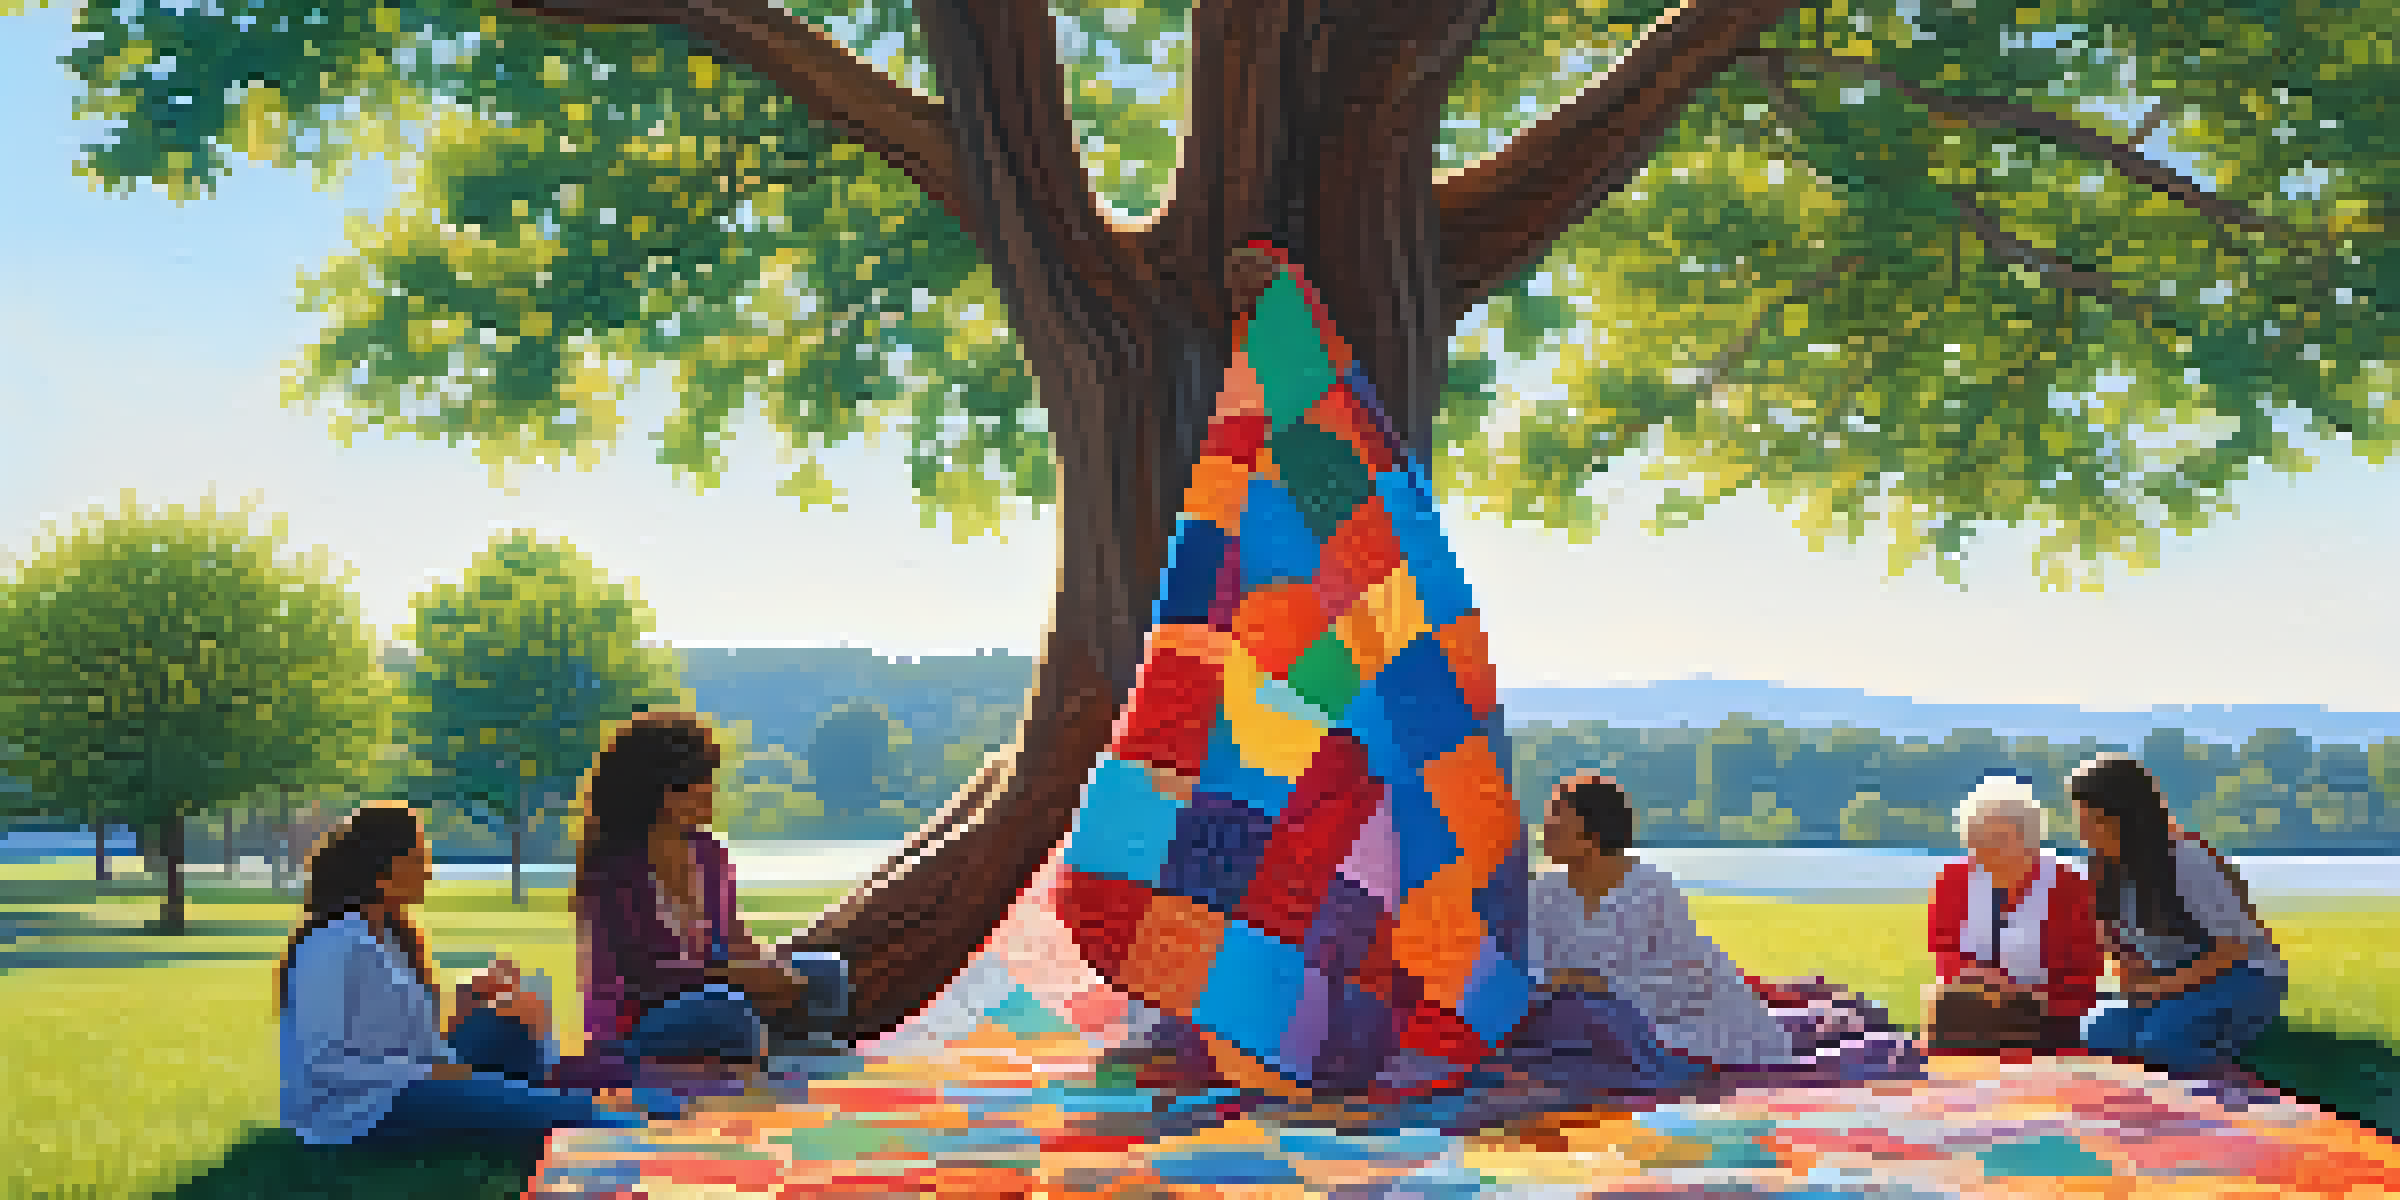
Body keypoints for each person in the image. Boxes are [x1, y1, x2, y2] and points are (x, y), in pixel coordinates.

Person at [276, 803, 645, 1147]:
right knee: (534, 1105)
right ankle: (611, 1116)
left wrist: (469, 998)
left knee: (510, 1026)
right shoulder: (334, 944)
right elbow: (321, 1060)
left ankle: (542, 1100)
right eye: (419, 858)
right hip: (358, 1108)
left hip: (414, 1078)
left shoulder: (388, 937)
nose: (429, 871)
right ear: (384, 872)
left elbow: (403, 1034)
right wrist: (426, 1074)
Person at [1526, 774, 1922, 1087]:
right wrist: (1570, 983)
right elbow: (1534, 964)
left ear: (1591, 835)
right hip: (1603, 1015)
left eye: (1556, 821)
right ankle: (1822, 1014)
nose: (1544, 830)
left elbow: (1682, 970)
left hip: (1691, 1003)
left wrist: (1602, 983)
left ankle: (1854, 1030)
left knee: (1775, 1058)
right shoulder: (1543, 892)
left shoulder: (1650, 887)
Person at [571, 711, 808, 1085]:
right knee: (726, 1012)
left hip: (708, 990)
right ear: (660, 790)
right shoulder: (612, 870)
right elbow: (645, 978)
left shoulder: (709, 853)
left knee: (825, 972)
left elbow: (733, 936)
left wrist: (771, 970)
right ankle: (770, 1055)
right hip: (637, 1020)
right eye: (698, 781)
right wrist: (738, 977)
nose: (709, 791)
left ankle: (779, 1050)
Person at [2069, 753, 2287, 1079]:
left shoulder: (2183, 859)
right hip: (2172, 980)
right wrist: (2139, 985)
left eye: (2094, 820)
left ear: (2126, 816)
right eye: (2081, 819)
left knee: (2159, 1042)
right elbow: (2122, 951)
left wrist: (2162, 989)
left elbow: (2235, 948)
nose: (2086, 831)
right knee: (2098, 1033)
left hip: (2242, 976)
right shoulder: (2102, 868)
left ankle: (2230, 1080)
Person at [1924, 772, 2103, 1050]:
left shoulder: (2070, 885)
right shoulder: (1953, 880)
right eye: (1977, 839)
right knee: (1945, 1004)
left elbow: (2084, 974)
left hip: (2045, 1012)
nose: (1985, 851)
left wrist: (2021, 993)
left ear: (2029, 838)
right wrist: (1979, 979)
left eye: (1997, 839)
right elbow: (1944, 950)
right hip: (1972, 1006)